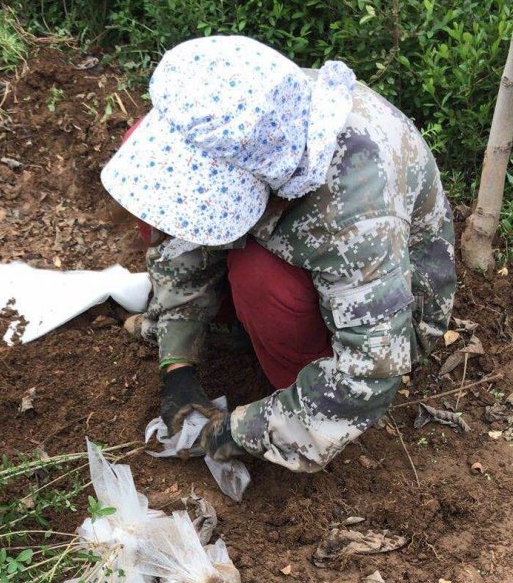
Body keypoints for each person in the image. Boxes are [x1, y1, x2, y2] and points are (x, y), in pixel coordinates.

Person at [100, 35, 455, 472]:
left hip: (377, 314)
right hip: (310, 252)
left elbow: (373, 364)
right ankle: (242, 333)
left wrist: (246, 429)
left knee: (259, 277)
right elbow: (184, 232)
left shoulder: (357, 208)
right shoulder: (247, 116)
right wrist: (178, 364)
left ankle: (295, 389)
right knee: (166, 198)